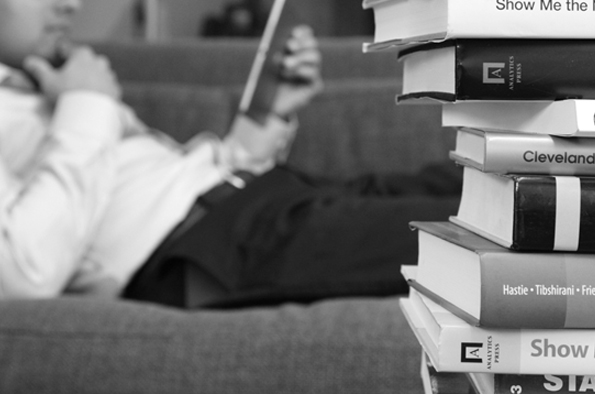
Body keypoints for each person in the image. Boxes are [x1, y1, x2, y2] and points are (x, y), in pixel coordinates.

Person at [0, 0, 461, 307]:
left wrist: (267, 115)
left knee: (476, 182)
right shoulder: (77, 97)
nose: (70, 4)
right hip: (207, 248)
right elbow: (24, 276)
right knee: (475, 236)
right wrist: (87, 102)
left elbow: (163, 186)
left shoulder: (45, 84)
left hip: (255, 205)